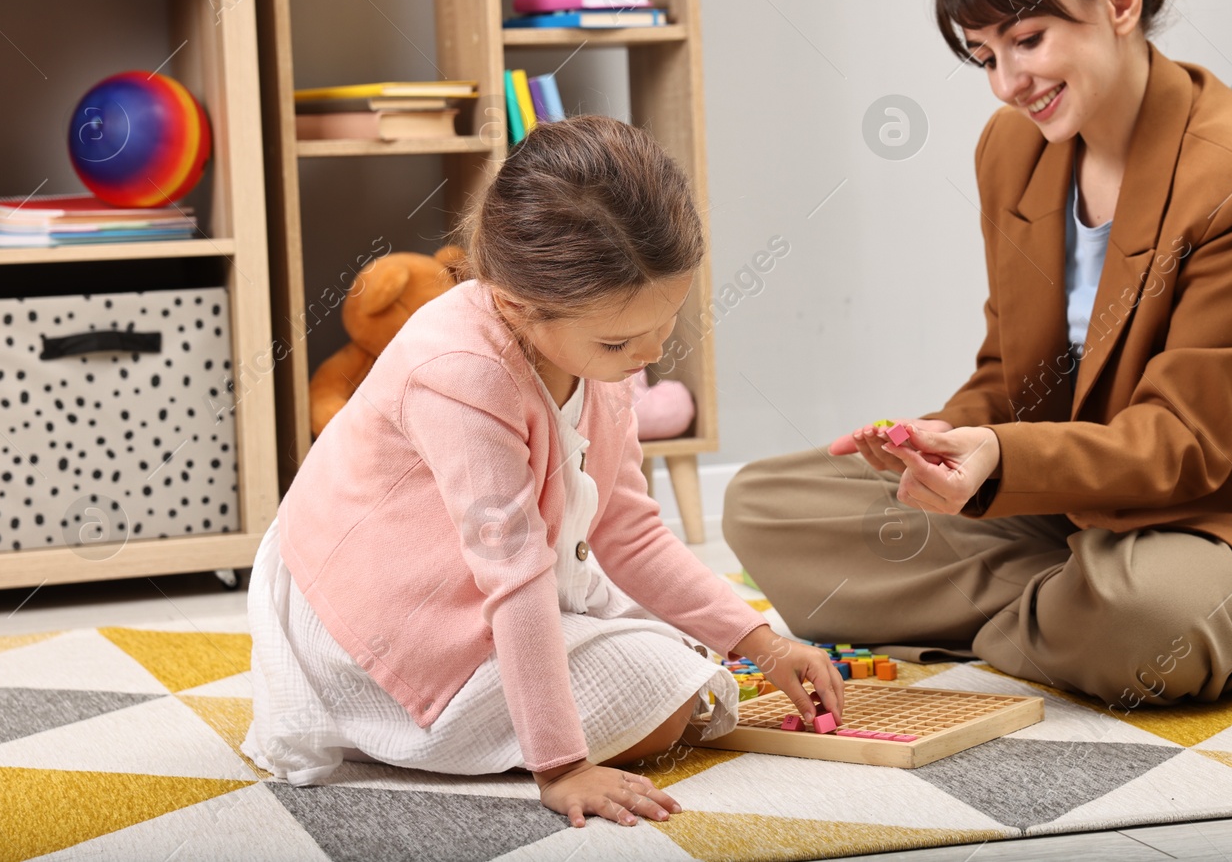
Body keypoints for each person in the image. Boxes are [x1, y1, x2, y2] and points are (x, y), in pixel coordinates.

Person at [724, 0, 1232, 717]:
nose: (1007, 84)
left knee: (1145, 617)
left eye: (1027, 40)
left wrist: (1003, 460)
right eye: (985, 56)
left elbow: (1185, 446)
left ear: (1120, 2)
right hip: (1072, 508)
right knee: (762, 504)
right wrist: (942, 443)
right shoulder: (1012, 151)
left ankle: (1083, 611)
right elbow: (1012, 374)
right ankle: (1063, 609)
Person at [243, 115, 844, 829]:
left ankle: (537, 705)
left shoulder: (601, 356)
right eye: (622, 338)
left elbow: (628, 530)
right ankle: (388, 724)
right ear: (515, 304)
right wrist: (560, 766)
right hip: (371, 620)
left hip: (496, 584)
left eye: (668, 321)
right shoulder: (462, 372)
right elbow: (513, 572)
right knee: (669, 695)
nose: (649, 354)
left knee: (684, 671)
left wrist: (760, 641)